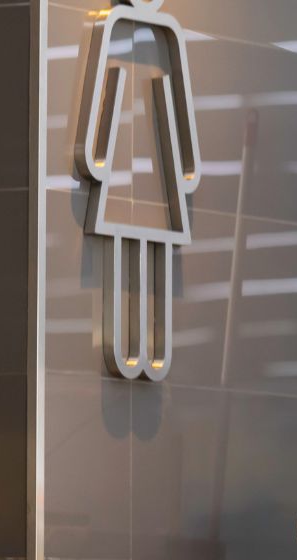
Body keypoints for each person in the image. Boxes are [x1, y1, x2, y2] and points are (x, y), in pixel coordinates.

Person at [74, 0, 201, 381]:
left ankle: (151, 353)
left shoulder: (167, 36)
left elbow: (187, 151)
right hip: (119, 194)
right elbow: (94, 140)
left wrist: (185, 174)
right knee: (124, 264)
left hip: (163, 197)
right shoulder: (115, 26)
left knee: (152, 267)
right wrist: (97, 159)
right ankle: (134, 352)